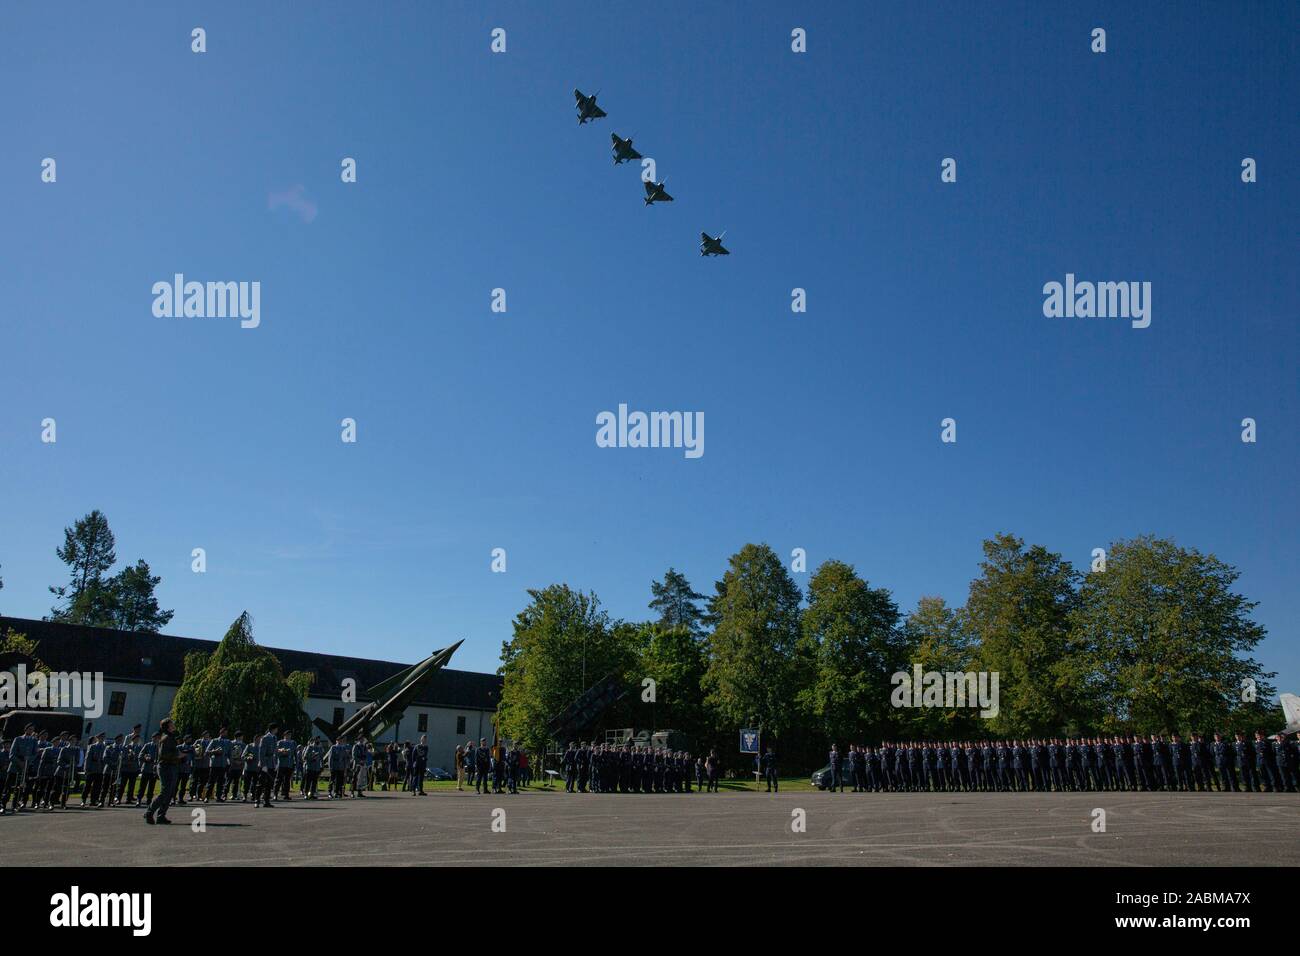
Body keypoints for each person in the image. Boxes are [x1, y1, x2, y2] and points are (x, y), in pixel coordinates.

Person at [145, 718, 181, 825]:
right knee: (165, 791)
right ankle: (149, 812)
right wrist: (178, 755)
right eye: (172, 723)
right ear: (168, 726)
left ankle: (161, 815)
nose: (174, 725)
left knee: (169, 792)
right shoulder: (166, 738)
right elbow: (164, 754)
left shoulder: (171, 737)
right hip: (166, 767)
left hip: (171, 766)